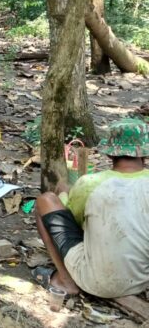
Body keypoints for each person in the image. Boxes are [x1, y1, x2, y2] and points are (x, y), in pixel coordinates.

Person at [32, 118, 149, 298]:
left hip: (95, 282)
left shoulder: (90, 184)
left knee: (45, 200)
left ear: (109, 154)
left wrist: (64, 194)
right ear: (145, 153)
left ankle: (65, 280)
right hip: (141, 281)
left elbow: (74, 221)